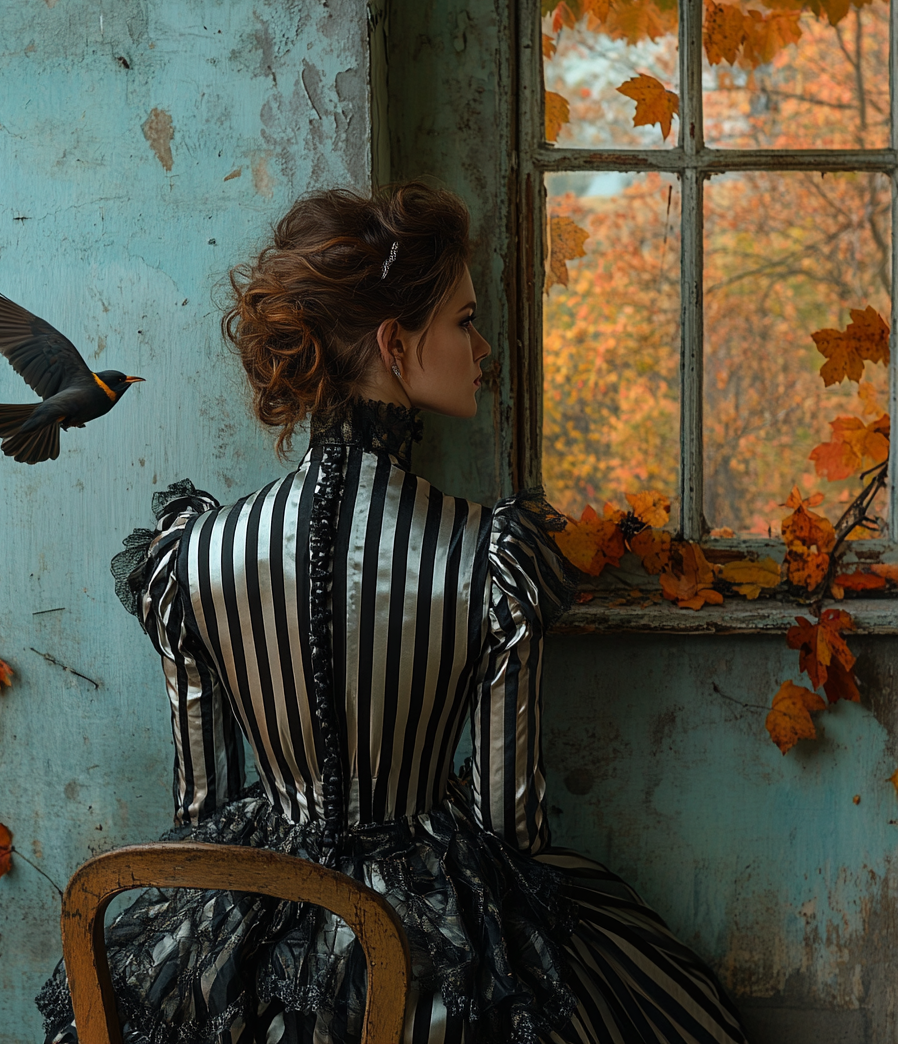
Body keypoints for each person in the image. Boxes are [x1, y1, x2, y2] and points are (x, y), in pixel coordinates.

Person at [37, 183, 748, 1044]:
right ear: (394, 342)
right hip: (427, 937)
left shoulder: (191, 555)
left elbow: (199, 823)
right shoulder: (489, 555)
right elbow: (509, 826)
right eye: (464, 322)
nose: (483, 348)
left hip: (248, 928)